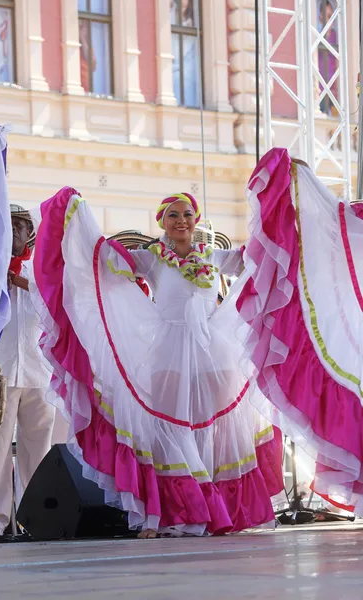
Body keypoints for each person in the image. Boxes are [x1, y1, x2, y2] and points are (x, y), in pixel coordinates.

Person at [30, 188, 284, 539]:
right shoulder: (152, 258)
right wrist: (77, 217)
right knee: (168, 426)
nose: (181, 221)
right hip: (168, 350)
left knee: (211, 428)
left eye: (187, 215)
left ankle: (216, 511)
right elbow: (105, 258)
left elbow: (255, 257)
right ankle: (165, 515)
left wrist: (280, 215)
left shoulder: (213, 255)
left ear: (196, 220)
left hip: (212, 351)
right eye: (173, 216)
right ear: (162, 222)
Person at [237, 147, 363, 515]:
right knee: (340, 399)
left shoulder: (344, 221)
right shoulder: (312, 234)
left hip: (343, 325)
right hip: (325, 326)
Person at [0, 205, 55, 537]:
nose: (17, 230)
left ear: (30, 231)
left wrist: (21, 282)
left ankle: (33, 519)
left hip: (39, 371)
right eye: (10, 224)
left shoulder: (41, 269)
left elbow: (56, 303)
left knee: (39, 450)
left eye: (22, 225)